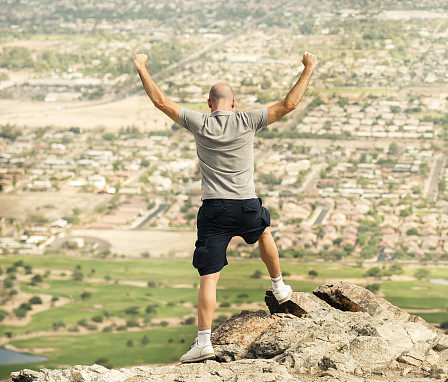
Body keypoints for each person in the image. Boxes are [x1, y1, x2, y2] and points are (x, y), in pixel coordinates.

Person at [133, 51, 317, 363]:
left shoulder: (199, 122)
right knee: (263, 231)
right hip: (246, 205)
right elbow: (289, 104)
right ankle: (280, 286)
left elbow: (161, 101)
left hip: (214, 209)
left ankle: (204, 341)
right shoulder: (248, 120)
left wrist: (141, 68)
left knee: (209, 277)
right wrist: (309, 67)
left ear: (209, 104)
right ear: (233, 104)